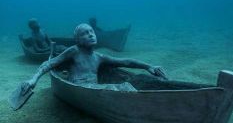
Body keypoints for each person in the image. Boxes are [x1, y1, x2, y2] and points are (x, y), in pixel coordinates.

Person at [21, 23, 167, 92]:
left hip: (95, 89)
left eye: (91, 31)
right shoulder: (74, 51)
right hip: (79, 88)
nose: (91, 34)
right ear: (77, 40)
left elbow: (126, 61)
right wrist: (33, 79)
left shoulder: (99, 57)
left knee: (131, 84)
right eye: (85, 33)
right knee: (123, 88)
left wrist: (149, 66)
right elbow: (49, 64)